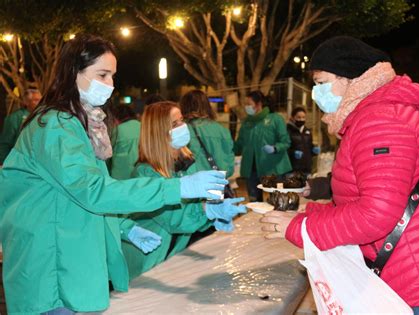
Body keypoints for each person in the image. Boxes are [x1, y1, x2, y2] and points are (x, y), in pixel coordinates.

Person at [0, 34, 227, 314]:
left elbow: (78, 196)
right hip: (51, 270)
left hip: (68, 260)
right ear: (74, 72)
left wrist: (124, 227)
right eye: (102, 75)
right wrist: (176, 190)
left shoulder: (82, 125)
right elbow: (93, 191)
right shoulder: (56, 126)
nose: (110, 85)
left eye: (112, 76)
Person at [261, 36, 419, 313]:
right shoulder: (376, 114)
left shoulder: (380, 121)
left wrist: (300, 227)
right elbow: (364, 195)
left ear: (352, 79)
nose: (315, 93)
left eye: (321, 83)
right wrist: (308, 210)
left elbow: (375, 214)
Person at [122, 101, 246, 279]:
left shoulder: (185, 162)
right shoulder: (146, 173)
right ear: (159, 133)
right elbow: (174, 220)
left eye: (181, 120)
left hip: (174, 253)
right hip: (149, 259)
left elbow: (194, 210)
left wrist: (212, 217)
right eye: (175, 124)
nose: (183, 126)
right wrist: (207, 210)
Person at [234, 91, 292, 201]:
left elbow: (286, 141)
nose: (246, 107)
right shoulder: (247, 123)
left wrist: (275, 148)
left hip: (273, 168)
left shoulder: (275, 119)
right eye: (245, 104)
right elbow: (239, 144)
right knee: (254, 201)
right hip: (252, 170)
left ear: (259, 104)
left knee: (277, 201)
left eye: (249, 104)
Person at [180, 89, 235, 176]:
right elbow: (230, 166)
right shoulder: (222, 130)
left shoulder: (182, 130)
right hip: (217, 184)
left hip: (193, 184)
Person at [0, 88, 42, 163]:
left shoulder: (42, 117)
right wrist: (4, 163)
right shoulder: (15, 118)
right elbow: (5, 143)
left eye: (40, 100)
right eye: (36, 100)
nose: (40, 103)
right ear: (27, 102)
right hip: (18, 162)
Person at [109, 105, 140, 179]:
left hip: (122, 178)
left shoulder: (117, 130)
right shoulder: (144, 126)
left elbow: (107, 153)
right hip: (142, 175)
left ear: (116, 118)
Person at [287, 106, 319, 176]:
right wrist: (293, 153)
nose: (301, 119)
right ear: (293, 118)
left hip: (306, 169)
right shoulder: (287, 131)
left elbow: (310, 146)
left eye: (303, 117)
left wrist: (314, 150)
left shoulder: (307, 131)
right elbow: (285, 149)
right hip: (292, 170)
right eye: (298, 117)